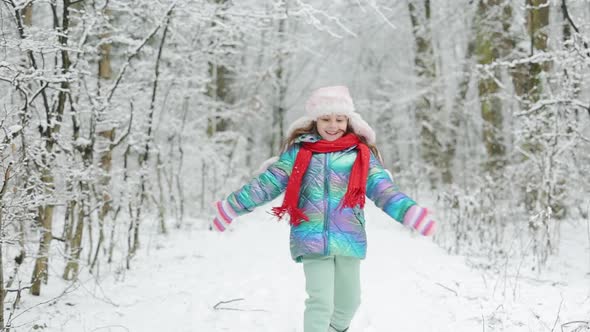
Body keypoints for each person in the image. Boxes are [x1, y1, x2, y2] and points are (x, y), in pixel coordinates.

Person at [211, 85, 436, 332]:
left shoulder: (360, 154)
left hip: (349, 238)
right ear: (315, 120)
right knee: (320, 302)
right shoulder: (299, 152)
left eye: (339, 119)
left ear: (348, 120)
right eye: (326, 118)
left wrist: (409, 212)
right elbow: (268, 183)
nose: (333, 125)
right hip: (310, 237)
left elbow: (382, 189)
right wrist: (232, 206)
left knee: (350, 302)